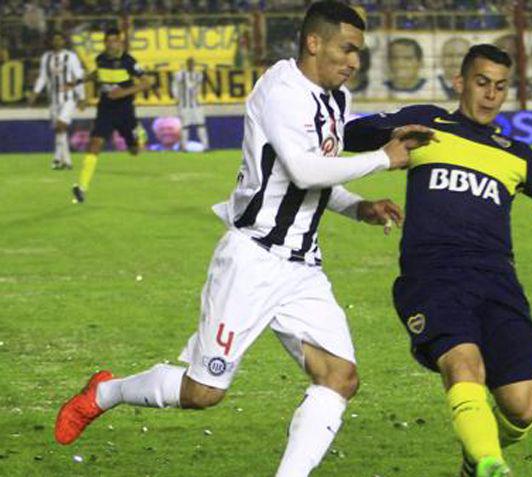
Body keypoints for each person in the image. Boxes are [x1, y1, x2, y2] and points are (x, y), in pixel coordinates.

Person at [54, 3, 431, 476]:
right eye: (347, 49)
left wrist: (358, 207)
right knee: (203, 393)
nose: (355, 61)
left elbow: (313, 179)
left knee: (340, 377)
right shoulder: (281, 89)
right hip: (252, 259)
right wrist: (383, 158)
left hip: (301, 269)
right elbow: (302, 168)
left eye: (359, 51)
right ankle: (104, 393)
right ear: (314, 43)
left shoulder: (335, 99)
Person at [344, 44, 532, 477]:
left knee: (521, 407)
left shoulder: (516, 153)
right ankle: (490, 465)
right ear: (460, 83)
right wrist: (388, 136)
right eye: (482, 83)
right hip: (433, 276)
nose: (491, 94)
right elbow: (347, 135)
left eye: (500, 87)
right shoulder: (428, 122)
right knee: (463, 365)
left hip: (497, 281)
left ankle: (474, 457)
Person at [68, 27, 154, 203]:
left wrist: (124, 92)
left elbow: (147, 82)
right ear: (105, 43)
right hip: (105, 108)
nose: (111, 44)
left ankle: (139, 133)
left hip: (124, 110)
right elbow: (96, 74)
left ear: (120, 42)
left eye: (115, 41)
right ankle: (82, 187)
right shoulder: (100, 59)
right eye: (108, 41)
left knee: (134, 151)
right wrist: (78, 82)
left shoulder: (129, 61)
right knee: (95, 143)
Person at [28, 32, 86, 170]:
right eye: (54, 39)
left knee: (61, 125)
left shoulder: (71, 57)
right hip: (53, 99)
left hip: (68, 98)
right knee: (59, 130)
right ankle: (61, 160)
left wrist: (82, 97)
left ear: (64, 42)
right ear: (51, 42)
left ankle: (61, 159)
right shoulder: (46, 58)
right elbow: (43, 77)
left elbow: (78, 75)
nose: (57, 42)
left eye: (59, 39)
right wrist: (35, 92)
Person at [171, 57, 209, 151]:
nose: (191, 65)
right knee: (185, 126)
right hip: (184, 104)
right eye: (190, 63)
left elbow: (197, 88)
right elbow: (174, 86)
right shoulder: (179, 75)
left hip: (196, 104)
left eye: (192, 63)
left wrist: (197, 96)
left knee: (201, 124)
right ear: (187, 64)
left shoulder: (198, 75)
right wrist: (177, 98)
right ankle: (184, 147)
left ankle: (206, 146)